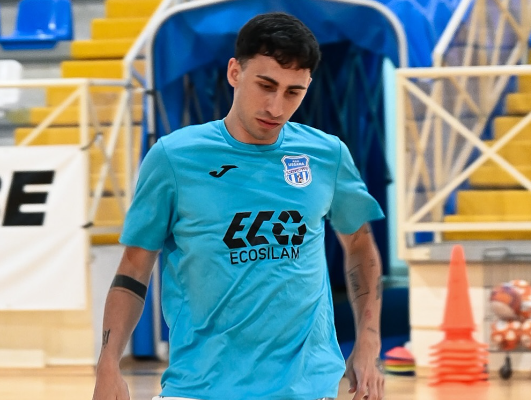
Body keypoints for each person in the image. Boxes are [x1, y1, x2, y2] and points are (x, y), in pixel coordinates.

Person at [92, 11, 385, 400]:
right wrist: (108, 364)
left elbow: (360, 246)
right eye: (266, 85)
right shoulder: (174, 158)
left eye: (293, 92)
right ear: (235, 72)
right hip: (199, 388)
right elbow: (133, 267)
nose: (276, 107)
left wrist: (368, 343)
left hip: (307, 388)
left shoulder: (327, 155)